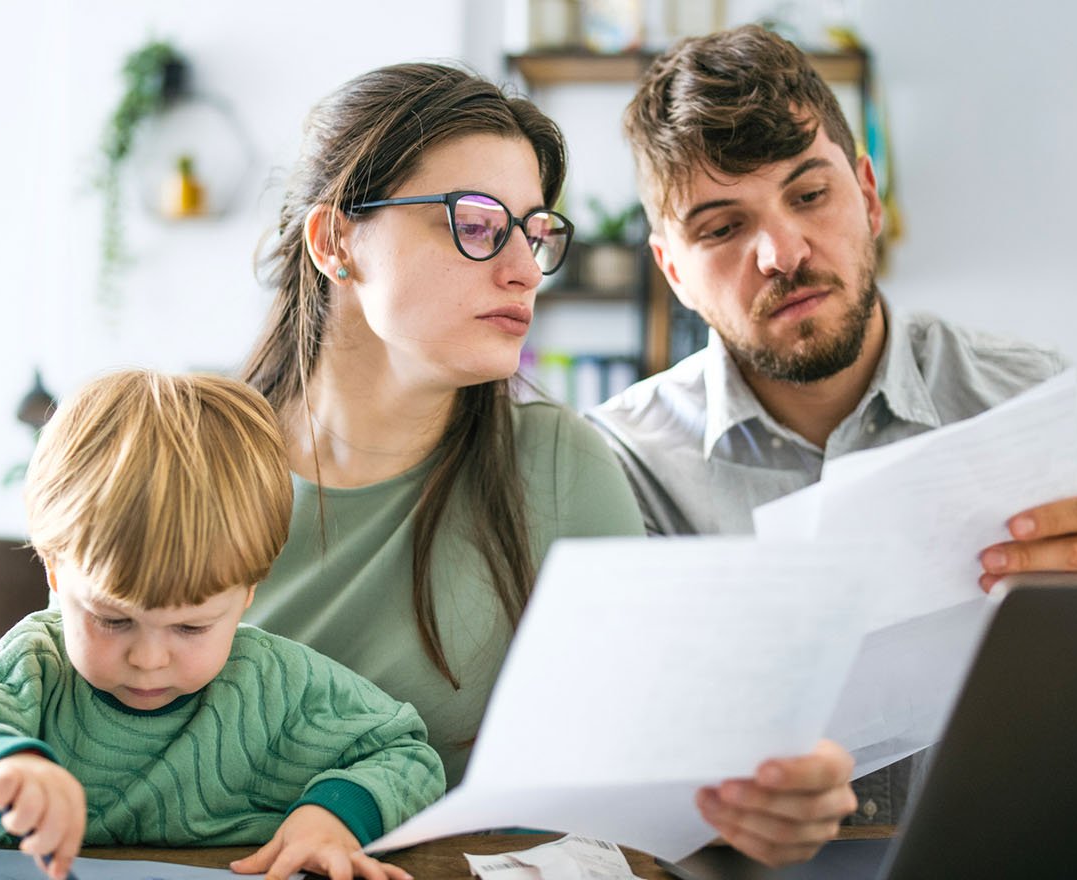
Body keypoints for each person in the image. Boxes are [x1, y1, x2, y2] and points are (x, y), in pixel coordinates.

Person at [586, 24, 1077, 862]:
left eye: (809, 196)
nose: (783, 254)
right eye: (723, 227)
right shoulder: (616, 463)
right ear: (671, 271)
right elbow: (608, 744)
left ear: (869, 196)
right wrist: (699, 795)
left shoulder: (1040, 401)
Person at [238, 62, 859, 867]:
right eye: (476, 223)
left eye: (534, 232)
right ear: (335, 241)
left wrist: (748, 794)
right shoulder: (173, 457)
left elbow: (630, 792)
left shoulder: (562, 466)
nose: (526, 269)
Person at [0, 370, 445, 880]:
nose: (149, 658)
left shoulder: (278, 685)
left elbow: (405, 754)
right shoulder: (34, 668)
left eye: (190, 628)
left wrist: (333, 818)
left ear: (247, 593)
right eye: (113, 620)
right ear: (56, 572)